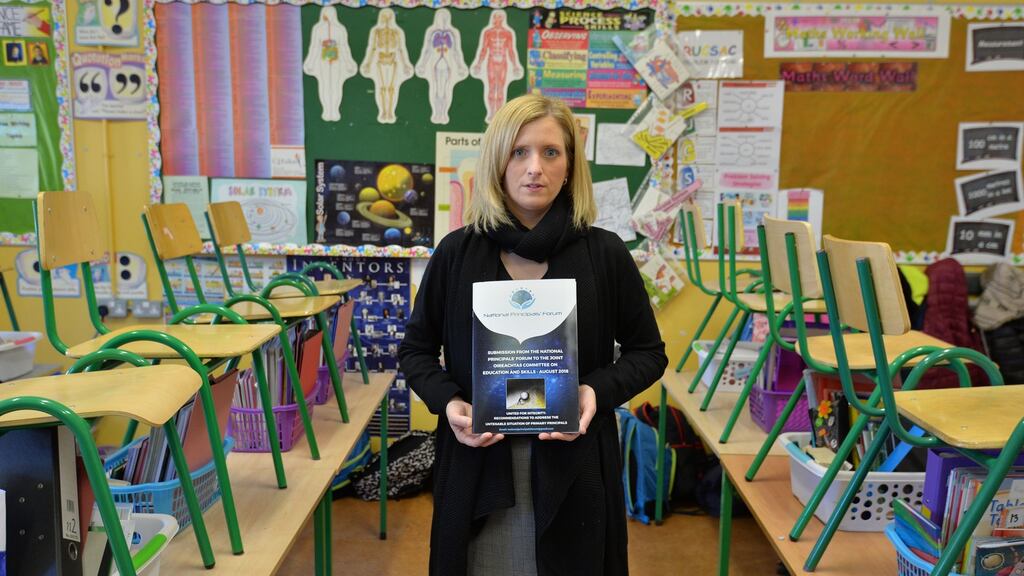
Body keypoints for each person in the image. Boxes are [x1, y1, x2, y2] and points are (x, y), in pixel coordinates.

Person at [398, 93, 667, 576]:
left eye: (550, 152)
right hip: (477, 467)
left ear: (569, 166)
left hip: (575, 468)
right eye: (519, 152)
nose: (534, 168)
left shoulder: (604, 254)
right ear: (497, 162)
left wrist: (593, 392)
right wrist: (449, 403)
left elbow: (648, 352)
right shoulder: (457, 254)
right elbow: (416, 350)